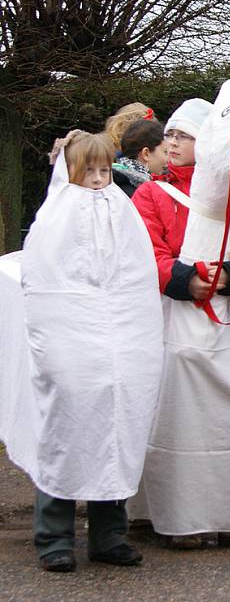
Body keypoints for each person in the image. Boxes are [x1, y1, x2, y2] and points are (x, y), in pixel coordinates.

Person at [129, 98, 230, 548]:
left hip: (226, 319)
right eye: (171, 135)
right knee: (177, 418)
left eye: (184, 135)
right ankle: (176, 518)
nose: (172, 142)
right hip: (176, 319)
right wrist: (183, 281)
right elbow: (148, 250)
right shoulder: (150, 194)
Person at [12, 131, 164, 571]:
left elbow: (137, 276)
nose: (98, 180)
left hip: (121, 341)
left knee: (116, 427)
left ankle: (109, 533)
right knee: (65, 427)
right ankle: (54, 534)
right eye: (88, 172)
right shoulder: (55, 214)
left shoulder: (122, 209)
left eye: (104, 171)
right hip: (70, 340)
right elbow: (42, 279)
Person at [112, 118, 169, 197]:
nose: (169, 159)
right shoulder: (135, 193)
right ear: (146, 154)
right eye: (166, 152)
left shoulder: (116, 181)